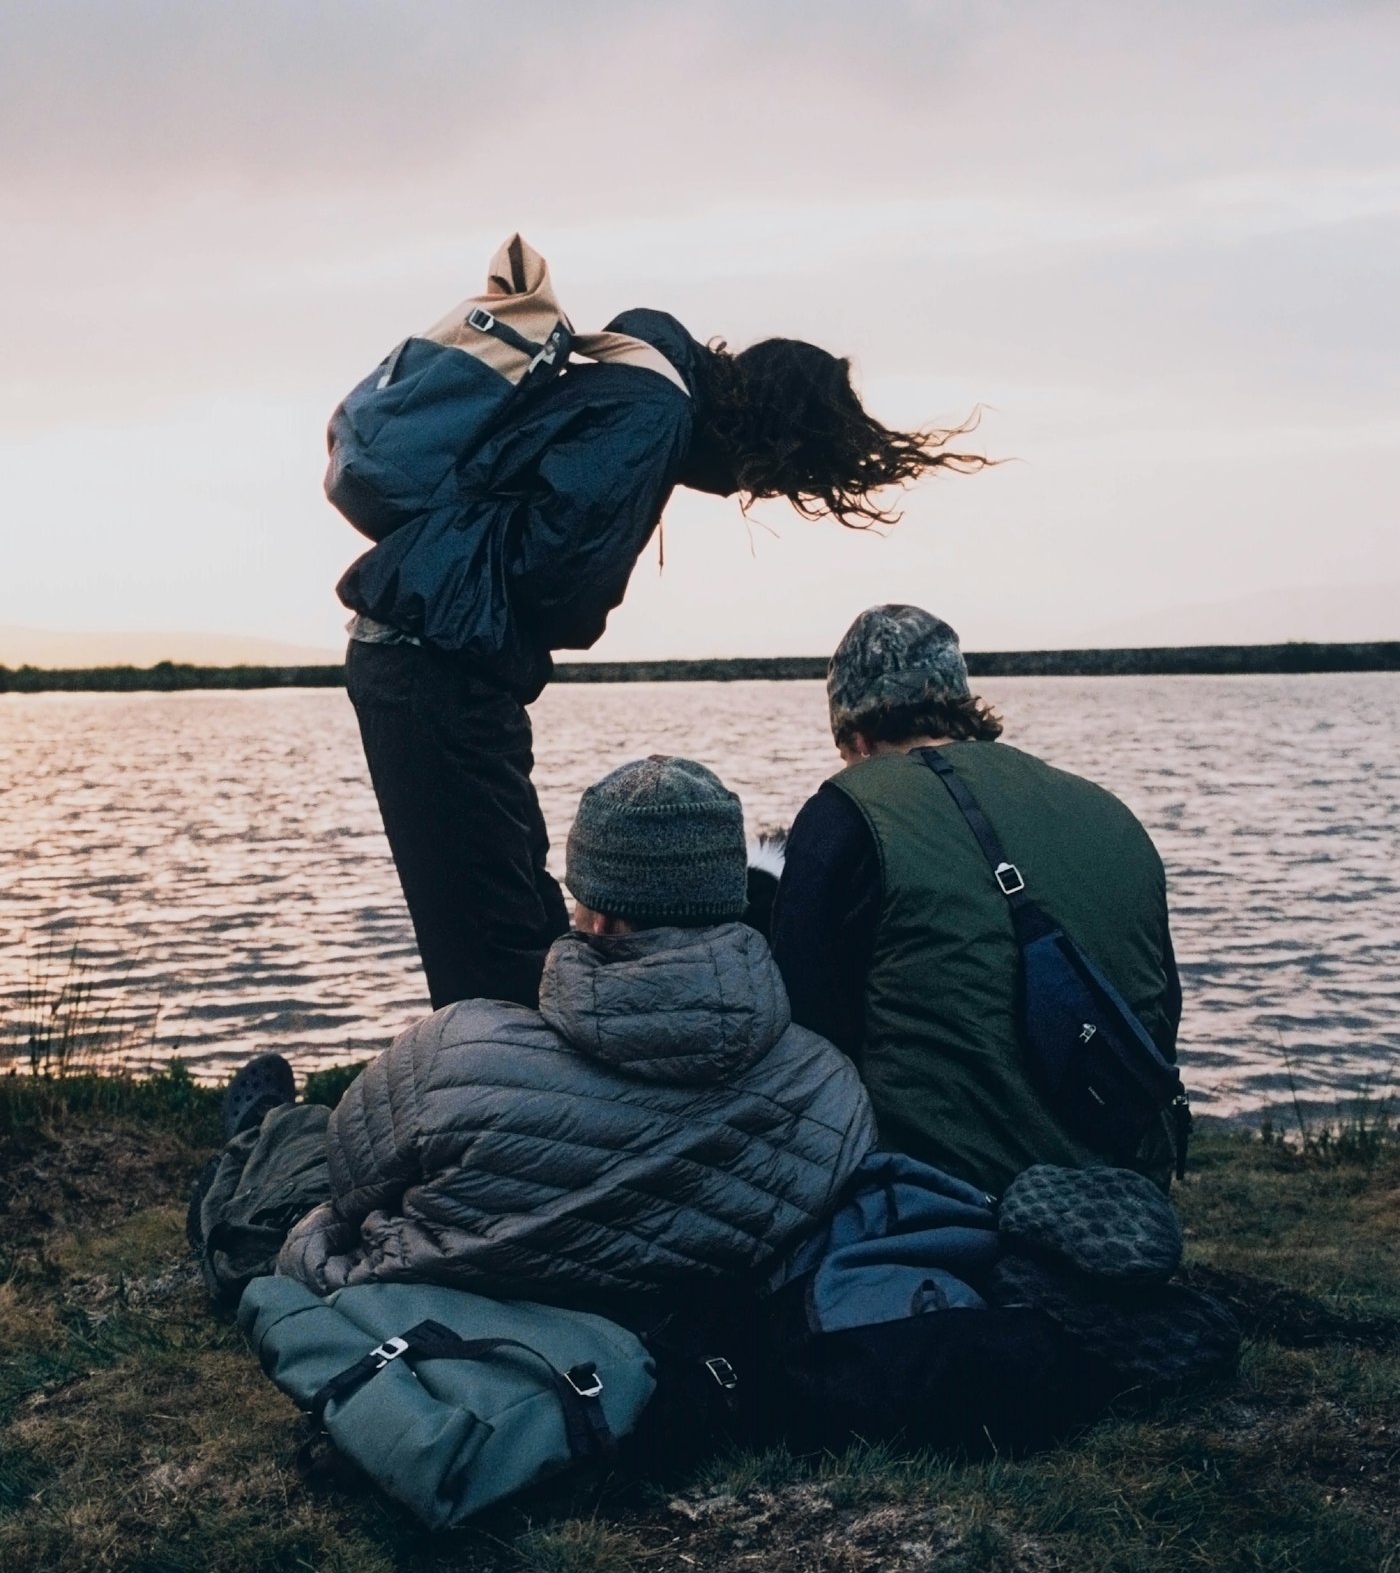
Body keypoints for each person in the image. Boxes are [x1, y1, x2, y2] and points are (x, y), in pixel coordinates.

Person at [338, 300, 987, 1012]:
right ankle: (494, 1078)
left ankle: (530, 1069)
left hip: (443, 657)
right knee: (494, 937)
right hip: (436, 664)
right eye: (771, 477)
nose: (751, 488)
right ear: (767, 435)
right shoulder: (654, 412)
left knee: (513, 909)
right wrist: (591, 597)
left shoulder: (636, 381)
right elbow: (558, 576)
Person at [193, 756, 873, 1312]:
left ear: (598, 917)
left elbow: (348, 1188)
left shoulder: (455, 1050)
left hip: (442, 1316)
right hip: (666, 1351)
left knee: (301, 1154)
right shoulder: (832, 1088)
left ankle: (258, 1130)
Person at [770, 604, 1182, 1198]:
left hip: (935, 1205)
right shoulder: (1107, 811)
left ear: (855, 736)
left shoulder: (848, 811)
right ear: (963, 706)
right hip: (1122, 1196)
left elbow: (802, 1028)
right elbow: (1162, 1009)